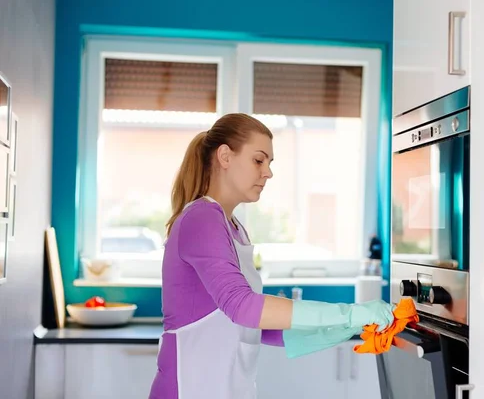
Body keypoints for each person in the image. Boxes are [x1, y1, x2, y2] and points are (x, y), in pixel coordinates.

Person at [148, 113, 394, 399]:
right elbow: (242, 307)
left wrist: (341, 327)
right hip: (189, 389)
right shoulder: (202, 218)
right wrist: (349, 312)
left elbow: (255, 328)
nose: (268, 172)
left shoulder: (234, 228)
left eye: (269, 163)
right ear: (225, 156)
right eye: (258, 160)